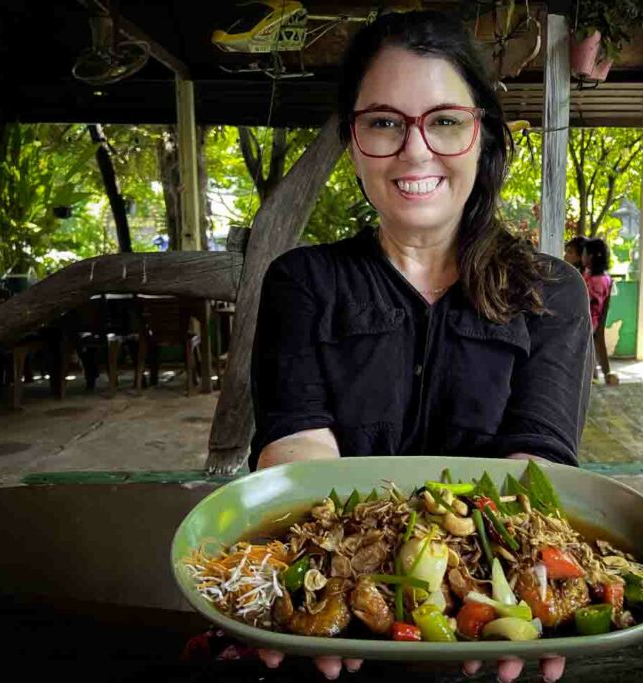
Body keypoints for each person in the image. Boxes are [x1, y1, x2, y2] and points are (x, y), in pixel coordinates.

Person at [248, 11, 588, 682]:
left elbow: (534, 469)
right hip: (332, 633)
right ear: (352, 140)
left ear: (478, 132)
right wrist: (345, 584)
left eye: (444, 120)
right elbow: (298, 451)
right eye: (383, 122)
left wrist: (511, 591)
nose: (415, 149)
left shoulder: (552, 292)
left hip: (489, 637)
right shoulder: (302, 282)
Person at [580, 237, 612, 333]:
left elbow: (584, 302)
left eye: (583, 253)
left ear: (590, 257)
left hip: (589, 324)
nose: (582, 256)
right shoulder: (594, 276)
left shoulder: (597, 281)